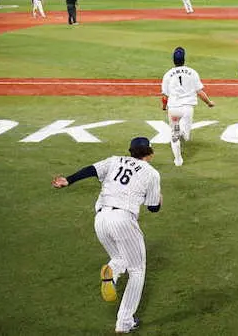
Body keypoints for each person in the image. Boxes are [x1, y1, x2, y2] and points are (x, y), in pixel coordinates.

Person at [51, 136, 162, 335]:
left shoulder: (114, 160)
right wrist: (159, 199)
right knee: (137, 270)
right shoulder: (151, 173)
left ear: (131, 151)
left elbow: (90, 170)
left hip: (101, 218)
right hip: (123, 219)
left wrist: (68, 180)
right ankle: (124, 322)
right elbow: (153, 208)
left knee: (119, 258)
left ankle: (111, 270)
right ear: (150, 152)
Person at [161, 47, 215, 166]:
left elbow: (165, 96)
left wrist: (164, 107)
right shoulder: (192, 72)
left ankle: (178, 160)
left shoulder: (167, 75)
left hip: (174, 108)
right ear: (184, 59)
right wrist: (209, 102)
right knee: (186, 136)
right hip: (187, 108)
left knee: (174, 134)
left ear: (173, 60)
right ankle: (180, 132)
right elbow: (200, 92)